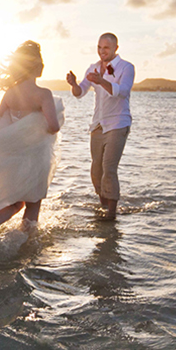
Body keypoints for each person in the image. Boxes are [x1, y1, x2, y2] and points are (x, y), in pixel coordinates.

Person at [0, 41, 62, 239]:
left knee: (15, 203)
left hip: (13, 156)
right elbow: (53, 126)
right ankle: (27, 243)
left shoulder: (10, 93)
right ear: (38, 68)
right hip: (35, 156)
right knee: (33, 202)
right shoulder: (43, 94)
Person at [66, 32, 135, 220]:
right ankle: (103, 206)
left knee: (108, 168)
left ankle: (112, 214)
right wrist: (73, 84)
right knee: (96, 170)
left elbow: (122, 92)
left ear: (115, 48)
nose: (101, 51)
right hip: (98, 125)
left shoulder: (126, 67)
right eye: (99, 47)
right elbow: (80, 92)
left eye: (105, 47)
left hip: (118, 123)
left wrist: (102, 81)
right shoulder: (94, 68)